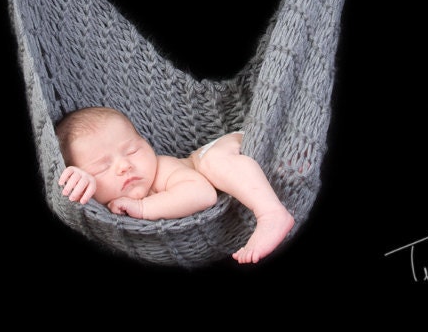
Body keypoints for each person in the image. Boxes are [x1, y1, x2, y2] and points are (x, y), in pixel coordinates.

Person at [55, 106, 295, 264]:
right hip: (263, 166)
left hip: (237, 145)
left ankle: (271, 213)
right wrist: (81, 180)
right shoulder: (104, 203)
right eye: (101, 168)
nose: (124, 166)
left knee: (213, 163)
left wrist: (143, 208)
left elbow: (203, 194)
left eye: (132, 150)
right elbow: (76, 196)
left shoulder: (161, 170)